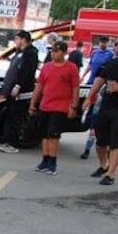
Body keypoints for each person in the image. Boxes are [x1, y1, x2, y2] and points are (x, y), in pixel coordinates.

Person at [82, 30, 118, 186]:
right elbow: (99, 80)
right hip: (106, 105)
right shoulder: (112, 61)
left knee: (117, 140)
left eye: (116, 43)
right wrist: (90, 98)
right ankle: (104, 165)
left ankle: (111, 174)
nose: (113, 46)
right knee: (100, 139)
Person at [27, 40, 80, 175]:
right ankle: (45, 160)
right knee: (44, 134)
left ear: (64, 52)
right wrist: (33, 103)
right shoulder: (46, 67)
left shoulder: (71, 68)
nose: (54, 54)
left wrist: (73, 105)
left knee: (53, 135)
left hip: (60, 107)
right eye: (52, 51)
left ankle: (52, 161)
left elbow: (75, 88)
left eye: (57, 51)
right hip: (45, 105)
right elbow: (39, 87)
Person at [0, 30, 38, 154]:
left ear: (23, 39)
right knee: (10, 116)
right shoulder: (20, 52)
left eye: (17, 40)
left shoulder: (31, 53)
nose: (16, 42)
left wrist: (18, 85)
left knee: (15, 117)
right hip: (12, 90)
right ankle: (8, 141)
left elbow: (26, 72)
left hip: (21, 92)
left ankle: (13, 143)